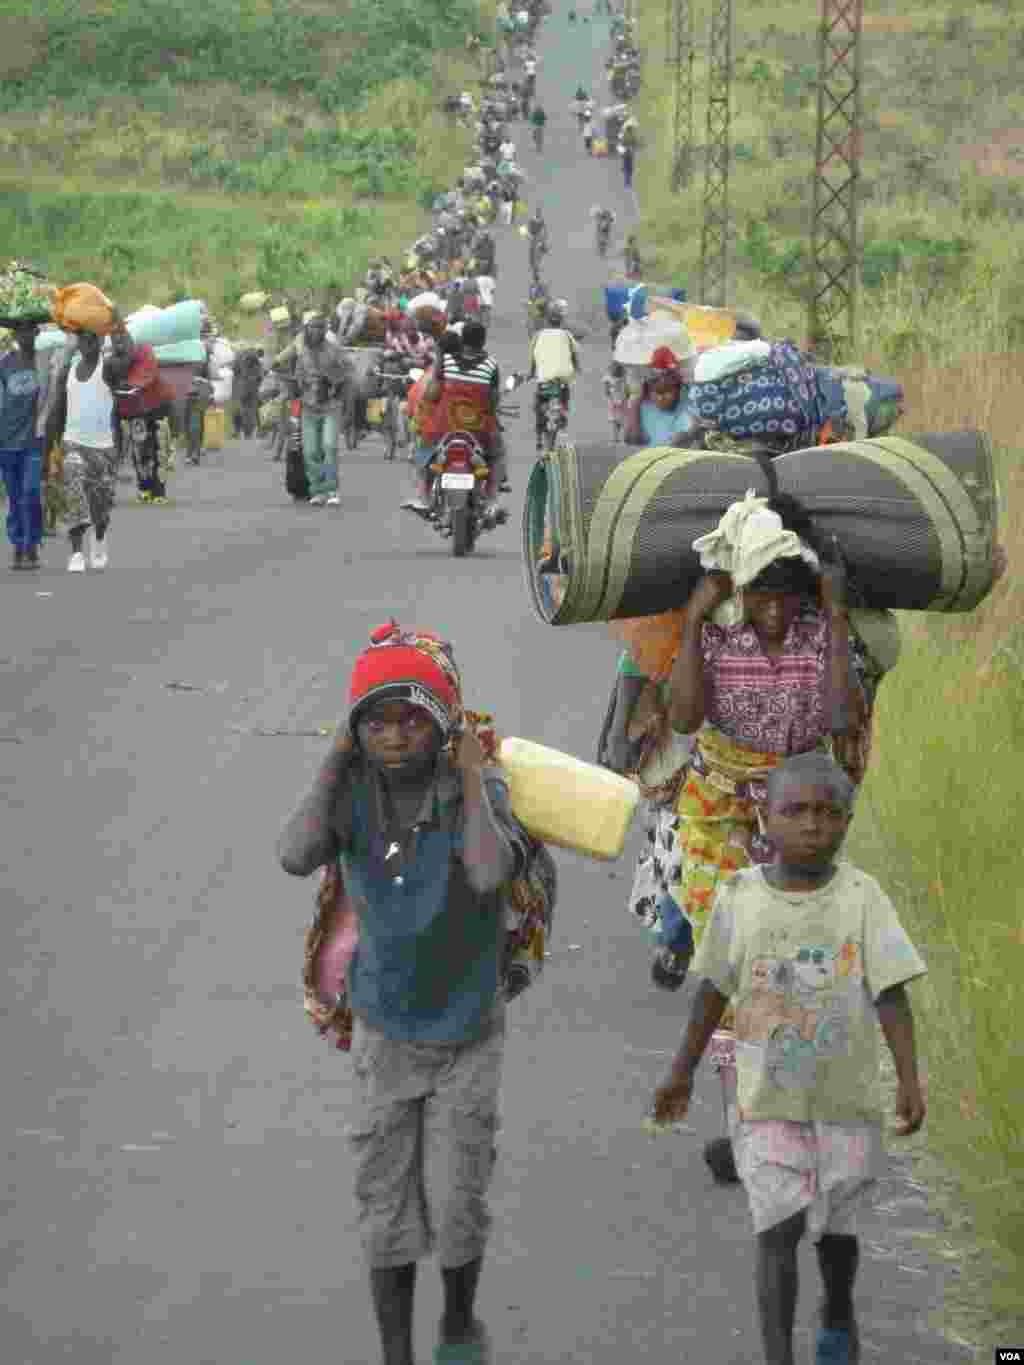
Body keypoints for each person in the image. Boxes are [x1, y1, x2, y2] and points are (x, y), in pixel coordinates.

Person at [277, 623, 535, 1365]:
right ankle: (397, 1353)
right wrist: (334, 756)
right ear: (355, 729)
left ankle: (456, 1321)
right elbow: (294, 853)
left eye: (413, 719)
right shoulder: (352, 789)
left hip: (467, 1033)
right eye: (376, 721)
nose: (394, 736)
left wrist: (474, 776)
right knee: (384, 1208)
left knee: (459, 1205)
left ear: (445, 725)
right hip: (384, 1031)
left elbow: (488, 873)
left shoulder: (473, 788)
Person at [650, 750, 927, 1365]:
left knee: (836, 1235)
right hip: (766, 1104)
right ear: (764, 818)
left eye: (827, 813)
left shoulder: (863, 899)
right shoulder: (740, 898)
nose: (811, 825)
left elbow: (891, 993)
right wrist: (680, 1073)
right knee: (777, 1229)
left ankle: (837, 1309)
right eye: (795, 811)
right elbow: (713, 990)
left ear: (847, 822)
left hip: (846, 1105)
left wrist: (909, 1079)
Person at [48, 331, 118, 572]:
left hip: (103, 447)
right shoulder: (68, 370)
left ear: (99, 342)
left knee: (101, 506)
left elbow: (127, 354)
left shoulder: (108, 368)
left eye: (91, 339)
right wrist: (52, 445)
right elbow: (59, 408)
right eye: (82, 339)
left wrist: (116, 322)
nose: (86, 344)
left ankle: (99, 538)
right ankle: (76, 552)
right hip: (73, 443)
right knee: (74, 498)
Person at [271, 313, 353, 508]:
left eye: (319, 328)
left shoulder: (334, 350)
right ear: (306, 329)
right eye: (312, 328)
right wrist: (286, 376)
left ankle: (332, 490)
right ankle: (317, 490)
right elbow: (282, 365)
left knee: (329, 446)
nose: (315, 331)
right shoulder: (299, 348)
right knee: (310, 451)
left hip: (330, 405)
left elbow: (349, 371)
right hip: (307, 405)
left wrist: (333, 381)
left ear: (324, 331)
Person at [1, 321, 58, 571]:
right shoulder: (4, 364)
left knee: (31, 493)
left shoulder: (44, 362)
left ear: (36, 332)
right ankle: (18, 545)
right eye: (20, 330)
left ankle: (30, 544)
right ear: (14, 333)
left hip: (33, 441)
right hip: (6, 442)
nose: (24, 334)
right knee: (15, 498)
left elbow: (52, 402)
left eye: (29, 330)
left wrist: (49, 442)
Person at [103, 325, 176, 504]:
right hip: (133, 411)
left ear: (130, 339)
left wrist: (131, 384)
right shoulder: (110, 362)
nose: (119, 342)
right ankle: (144, 487)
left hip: (158, 406)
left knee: (159, 447)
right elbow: (107, 384)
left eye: (122, 337)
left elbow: (147, 374)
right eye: (115, 339)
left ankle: (159, 490)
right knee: (140, 448)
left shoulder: (144, 351)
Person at [527, 301, 579, 453]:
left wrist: (531, 372)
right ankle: (562, 415)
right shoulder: (567, 335)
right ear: (561, 321)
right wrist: (576, 367)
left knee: (538, 405)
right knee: (563, 401)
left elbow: (533, 357)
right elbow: (574, 354)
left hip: (544, 379)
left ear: (546, 320)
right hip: (562, 380)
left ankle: (539, 434)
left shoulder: (538, 335)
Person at [623, 345, 696, 447]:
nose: (664, 372)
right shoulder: (648, 381)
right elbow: (637, 399)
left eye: (666, 370)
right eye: (662, 369)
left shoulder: (677, 378)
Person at [602, 359, 628, 441]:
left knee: (616, 420)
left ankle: (616, 437)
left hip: (616, 400)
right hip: (619, 400)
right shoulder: (623, 376)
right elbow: (606, 390)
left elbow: (606, 391)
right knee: (618, 419)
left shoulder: (609, 377)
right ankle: (616, 436)